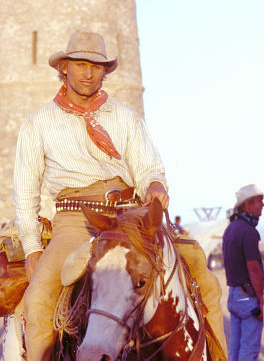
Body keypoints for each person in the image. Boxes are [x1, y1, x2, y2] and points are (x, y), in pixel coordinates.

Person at [13, 31, 226, 360]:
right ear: (65, 69)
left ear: (105, 72)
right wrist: (32, 248)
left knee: (204, 279)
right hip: (75, 221)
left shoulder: (126, 117)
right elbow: (25, 192)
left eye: (97, 66)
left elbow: (148, 169)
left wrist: (155, 184)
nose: (89, 73)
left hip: (131, 215)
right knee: (39, 303)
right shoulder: (38, 123)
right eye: (81, 65)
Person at [222, 184, 264, 361]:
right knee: (249, 351)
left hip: (234, 295)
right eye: (260, 201)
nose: (263, 205)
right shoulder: (248, 231)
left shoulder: (231, 228)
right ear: (248, 204)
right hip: (247, 297)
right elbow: (254, 269)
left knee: (235, 348)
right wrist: (261, 300)